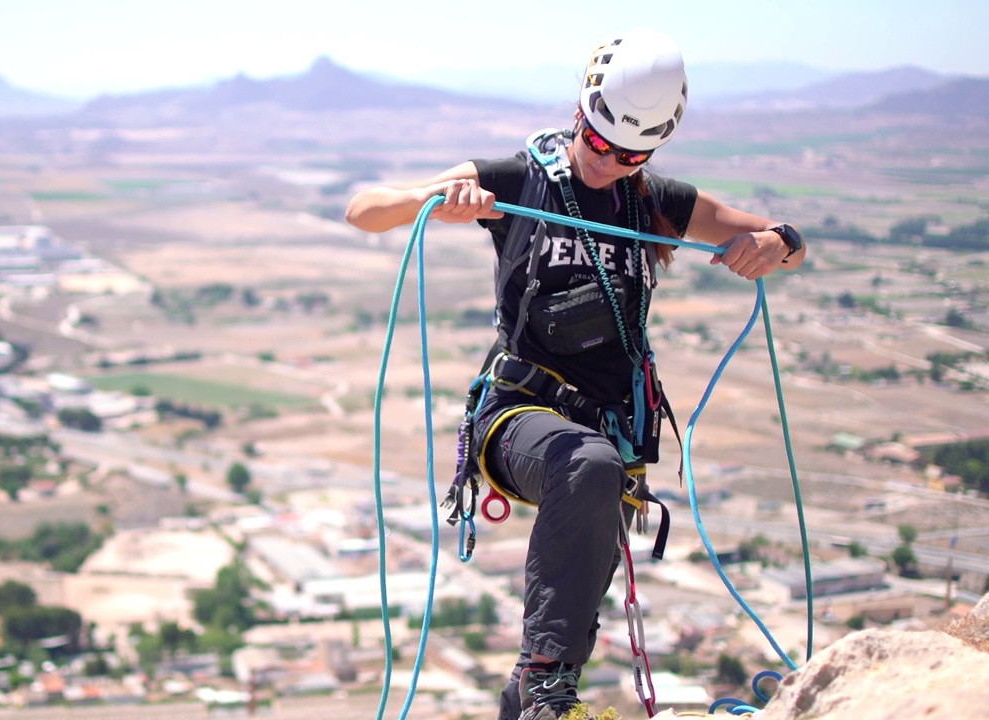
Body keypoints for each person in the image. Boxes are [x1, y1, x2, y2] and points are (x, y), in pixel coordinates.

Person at [344, 28, 805, 720]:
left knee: (569, 614)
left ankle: (533, 698)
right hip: (517, 417)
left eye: (629, 155)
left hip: (609, 437)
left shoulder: (651, 201)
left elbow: (788, 241)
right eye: (597, 139)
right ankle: (550, 697)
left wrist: (775, 243)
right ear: (581, 113)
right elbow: (364, 210)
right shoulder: (516, 180)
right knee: (587, 471)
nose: (607, 160)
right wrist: (439, 201)